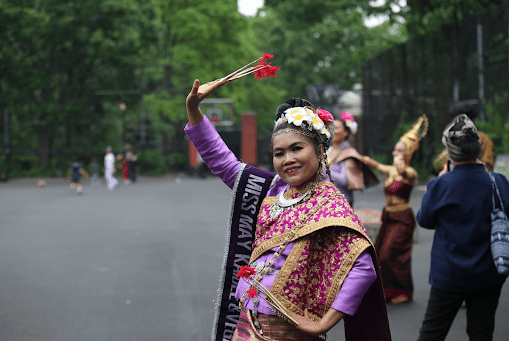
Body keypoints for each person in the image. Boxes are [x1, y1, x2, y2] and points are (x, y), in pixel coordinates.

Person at [185, 79, 391, 341]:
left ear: (319, 151)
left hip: (288, 331)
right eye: (279, 153)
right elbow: (222, 161)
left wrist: (322, 324)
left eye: (297, 148)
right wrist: (193, 109)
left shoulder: (330, 203)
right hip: (246, 323)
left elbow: (363, 269)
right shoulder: (272, 189)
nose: (288, 159)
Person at [416, 114, 508, 341]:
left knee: (432, 334)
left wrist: (438, 181)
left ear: (450, 152)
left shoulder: (441, 184)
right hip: (489, 273)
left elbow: (425, 220)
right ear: (478, 148)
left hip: (448, 275)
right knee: (481, 334)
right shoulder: (499, 182)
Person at [361, 115, 428, 304]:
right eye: (394, 149)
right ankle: (390, 289)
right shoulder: (392, 171)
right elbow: (376, 165)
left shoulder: (411, 173)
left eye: (399, 150)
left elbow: (406, 173)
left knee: (393, 254)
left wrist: (401, 166)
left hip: (403, 218)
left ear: (407, 153)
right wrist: (360, 157)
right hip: (389, 217)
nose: (395, 153)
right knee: (380, 252)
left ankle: (406, 292)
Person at [326, 111, 378, 207]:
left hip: (342, 201)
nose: (332, 131)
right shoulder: (328, 151)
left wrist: (324, 170)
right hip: (325, 199)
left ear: (346, 132)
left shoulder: (349, 154)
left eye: (336, 128)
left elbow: (345, 180)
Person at [432, 103, 495, 174]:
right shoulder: (452, 137)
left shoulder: (484, 140)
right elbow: (436, 167)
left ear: (471, 120)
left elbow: (488, 169)